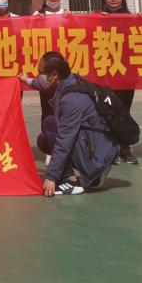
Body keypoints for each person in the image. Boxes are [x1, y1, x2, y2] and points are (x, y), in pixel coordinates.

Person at [35, 54, 119, 196]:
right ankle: (78, 174)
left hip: (97, 159)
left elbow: (65, 140)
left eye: (41, 73)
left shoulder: (72, 99)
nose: (39, 76)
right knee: (44, 138)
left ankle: (71, 181)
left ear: (54, 75)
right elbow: (41, 84)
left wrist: (51, 177)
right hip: (97, 149)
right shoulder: (71, 80)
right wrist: (25, 80)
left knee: (52, 127)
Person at [101, 0, 138, 165]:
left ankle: (125, 148)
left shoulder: (131, 18)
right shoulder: (97, 18)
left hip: (126, 73)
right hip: (106, 73)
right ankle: (110, 148)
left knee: (124, 110)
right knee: (108, 111)